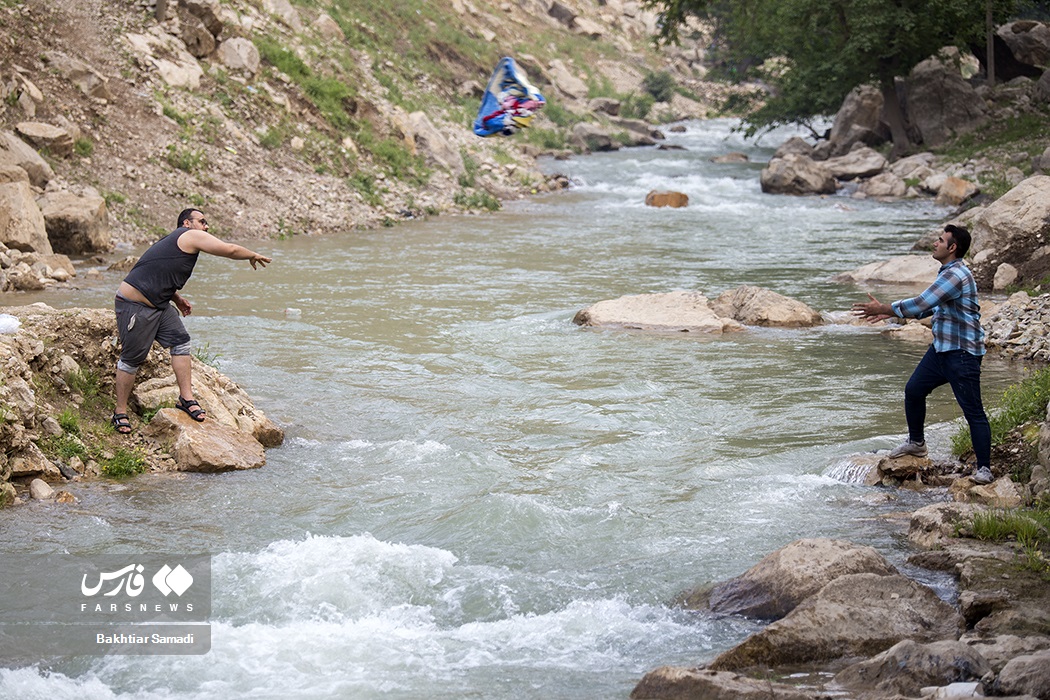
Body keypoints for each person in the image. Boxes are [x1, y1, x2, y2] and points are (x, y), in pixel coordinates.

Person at [852, 224, 994, 485]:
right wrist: (893, 313)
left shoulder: (956, 275)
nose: (935, 244)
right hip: (942, 350)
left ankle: (984, 469)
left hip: (962, 353)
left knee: (973, 412)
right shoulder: (948, 273)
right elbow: (934, 308)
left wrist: (886, 306)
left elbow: (924, 302)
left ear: (952, 248)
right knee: (914, 390)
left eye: (940, 240)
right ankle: (916, 443)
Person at [111, 208, 272, 434]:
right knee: (131, 360)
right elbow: (230, 249)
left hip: (159, 304)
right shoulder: (188, 235)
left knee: (181, 341)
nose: (206, 227)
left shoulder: (175, 243)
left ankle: (185, 399)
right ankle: (120, 412)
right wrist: (252, 254)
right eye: (202, 222)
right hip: (136, 306)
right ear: (187, 223)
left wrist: (176, 298)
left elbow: (157, 271)